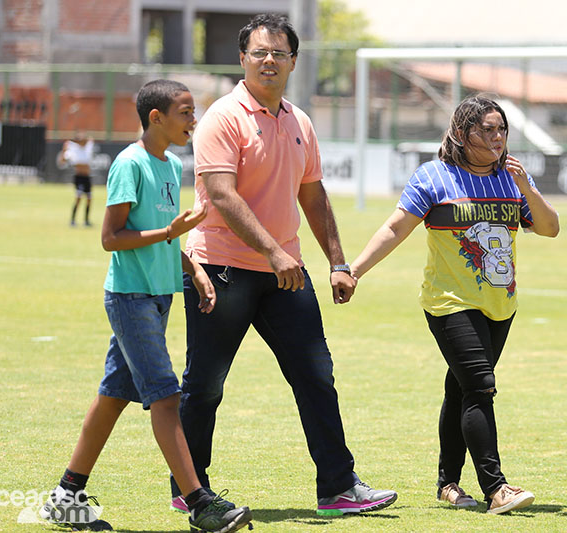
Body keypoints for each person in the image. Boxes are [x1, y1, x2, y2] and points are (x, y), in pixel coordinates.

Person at [169, 13, 397, 517]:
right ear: (243, 59)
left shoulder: (300, 121)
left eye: (279, 52)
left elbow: (313, 196)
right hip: (221, 269)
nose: (268, 60)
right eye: (259, 52)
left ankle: (337, 487)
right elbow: (222, 197)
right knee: (205, 384)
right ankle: (191, 489)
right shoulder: (222, 117)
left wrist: (339, 262)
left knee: (316, 375)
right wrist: (274, 251)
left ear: (294, 61)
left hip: (285, 274)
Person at [40, 79, 252, 533]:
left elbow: (163, 231)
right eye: (185, 112)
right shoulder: (129, 164)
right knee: (167, 395)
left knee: (114, 396)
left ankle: (66, 495)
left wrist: (192, 269)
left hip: (159, 297)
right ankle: (199, 502)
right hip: (130, 297)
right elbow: (110, 239)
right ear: (155, 117)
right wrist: (172, 232)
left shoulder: (173, 165)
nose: (193, 121)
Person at [350, 95, 560, 514]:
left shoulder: (513, 179)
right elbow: (395, 229)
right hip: (449, 303)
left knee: (462, 389)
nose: (497, 136)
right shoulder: (434, 177)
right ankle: (497, 489)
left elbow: (550, 228)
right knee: (480, 386)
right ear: (463, 134)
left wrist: (525, 188)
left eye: (502, 129)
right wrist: (353, 270)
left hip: (501, 304)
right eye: (487, 129)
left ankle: (448, 483)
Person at [58, 131, 96, 226]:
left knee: (89, 199)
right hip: (79, 177)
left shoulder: (88, 148)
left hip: (87, 177)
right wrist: (64, 150)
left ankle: (86, 220)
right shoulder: (73, 150)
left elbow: (90, 139)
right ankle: (73, 220)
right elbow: (62, 162)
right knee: (78, 198)